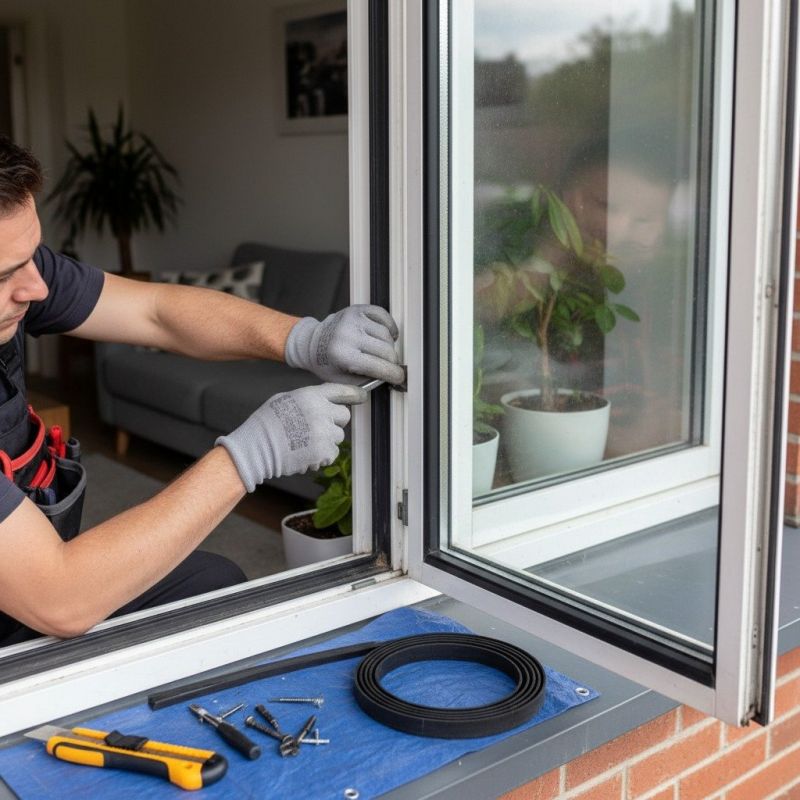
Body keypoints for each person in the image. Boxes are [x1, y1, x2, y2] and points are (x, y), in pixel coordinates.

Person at [0, 137, 405, 645]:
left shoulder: (21, 270)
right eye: (5, 276)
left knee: (212, 588)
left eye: (32, 256)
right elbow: (59, 599)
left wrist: (305, 339)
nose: (37, 289)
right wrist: (250, 455)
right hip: (31, 604)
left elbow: (156, 312)